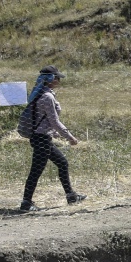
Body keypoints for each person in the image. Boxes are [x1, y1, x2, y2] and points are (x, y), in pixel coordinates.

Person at [19, 66, 86, 213]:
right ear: (50, 79)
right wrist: (70, 137)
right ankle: (26, 203)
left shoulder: (41, 94)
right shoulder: (47, 97)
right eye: (57, 78)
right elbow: (54, 121)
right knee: (36, 171)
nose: (59, 80)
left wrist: (53, 133)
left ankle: (71, 196)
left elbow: (44, 120)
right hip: (41, 139)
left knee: (62, 163)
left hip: (42, 138)